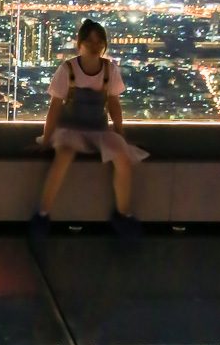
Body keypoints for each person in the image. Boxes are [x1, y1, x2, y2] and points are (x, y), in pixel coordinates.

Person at [31, 18, 147, 237]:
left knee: (122, 158)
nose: (94, 47)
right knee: (64, 154)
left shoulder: (109, 69)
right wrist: (46, 139)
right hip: (70, 129)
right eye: (89, 41)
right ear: (79, 44)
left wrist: (121, 135)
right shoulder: (67, 69)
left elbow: (114, 104)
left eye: (98, 42)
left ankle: (123, 213)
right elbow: (54, 108)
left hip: (99, 130)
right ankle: (43, 213)